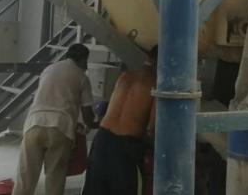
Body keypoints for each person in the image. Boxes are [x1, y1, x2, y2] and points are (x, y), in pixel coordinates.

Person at [13, 44, 96, 195]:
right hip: (60, 129)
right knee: (55, 178)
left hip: (34, 124)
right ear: (84, 60)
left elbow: (50, 100)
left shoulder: (49, 69)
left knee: (25, 178)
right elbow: (87, 112)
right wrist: (90, 124)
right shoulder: (82, 77)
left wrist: (74, 122)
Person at [82, 47, 157, 195]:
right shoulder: (155, 86)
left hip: (102, 139)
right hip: (125, 147)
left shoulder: (124, 77)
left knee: (94, 189)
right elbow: (152, 127)